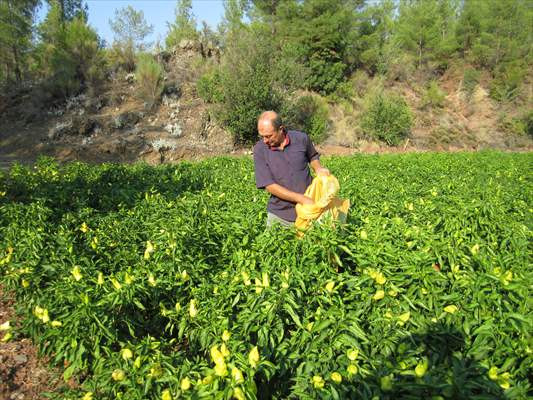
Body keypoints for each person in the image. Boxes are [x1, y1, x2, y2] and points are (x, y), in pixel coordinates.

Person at [253, 110, 330, 227]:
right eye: (262, 136)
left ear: (281, 129)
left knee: (313, 244)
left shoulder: (301, 139)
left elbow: (313, 156)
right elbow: (269, 185)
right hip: (280, 216)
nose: (265, 141)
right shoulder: (260, 149)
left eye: (268, 136)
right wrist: (301, 198)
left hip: (309, 211)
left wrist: (318, 168)